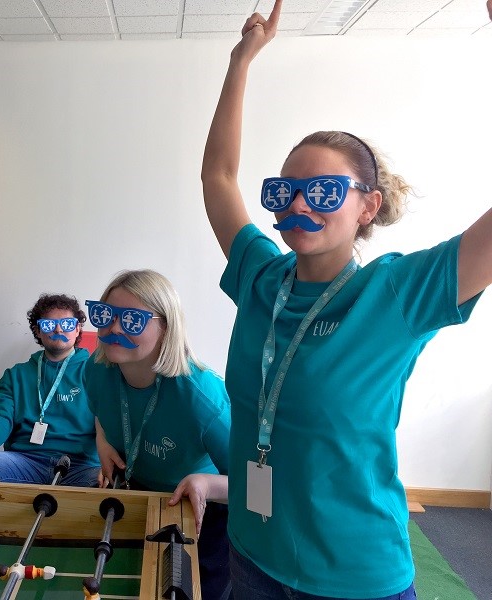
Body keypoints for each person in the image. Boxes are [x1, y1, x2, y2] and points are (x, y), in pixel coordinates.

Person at [200, 2, 492, 599]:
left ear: (368, 205)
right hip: (253, 555)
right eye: (285, 192)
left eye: (325, 191)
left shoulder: (395, 292)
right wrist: (241, 60)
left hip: (354, 576)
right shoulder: (261, 276)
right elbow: (218, 178)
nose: (298, 206)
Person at [84, 269, 232, 600]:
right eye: (105, 315)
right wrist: (103, 440)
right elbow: (101, 411)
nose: (114, 329)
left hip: (205, 512)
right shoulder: (95, 369)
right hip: (141, 498)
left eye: (133, 320)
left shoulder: (202, 398)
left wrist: (207, 484)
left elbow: (262, 486)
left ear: (165, 328)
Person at [0, 294, 100, 486]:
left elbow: (109, 423)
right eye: (48, 325)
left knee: (111, 484)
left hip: (81, 465)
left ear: (78, 328)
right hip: (26, 461)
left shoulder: (96, 372)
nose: (58, 329)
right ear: (38, 331)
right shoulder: (16, 375)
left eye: (67, 323)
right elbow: (0, 415)